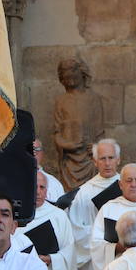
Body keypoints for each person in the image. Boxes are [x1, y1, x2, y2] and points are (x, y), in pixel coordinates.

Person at [69, 138, 122, 270]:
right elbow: (76, 229)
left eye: (111, 158)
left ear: (118, 160)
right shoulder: (84, 192)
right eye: (102, 158)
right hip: (96, 260)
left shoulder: (128, 186)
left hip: (124, 256)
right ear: (94, 161)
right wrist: (104, 239)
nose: (107, 163)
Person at [50, 56, 105, 190]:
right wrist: (66, 145)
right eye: (65, 72)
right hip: (69, 162)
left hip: (88, 159)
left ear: (81, 72)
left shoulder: (94, 99)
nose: (69, 74)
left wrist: (95, 147)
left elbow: (100, 133)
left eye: (72, 70)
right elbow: (56, 133)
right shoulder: (61, 101)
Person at [32, 137, 63, 203]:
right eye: (30, 150)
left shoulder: (54, 183)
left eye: (37, 149)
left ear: (42, 153)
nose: (34, 153)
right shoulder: (11, 179)